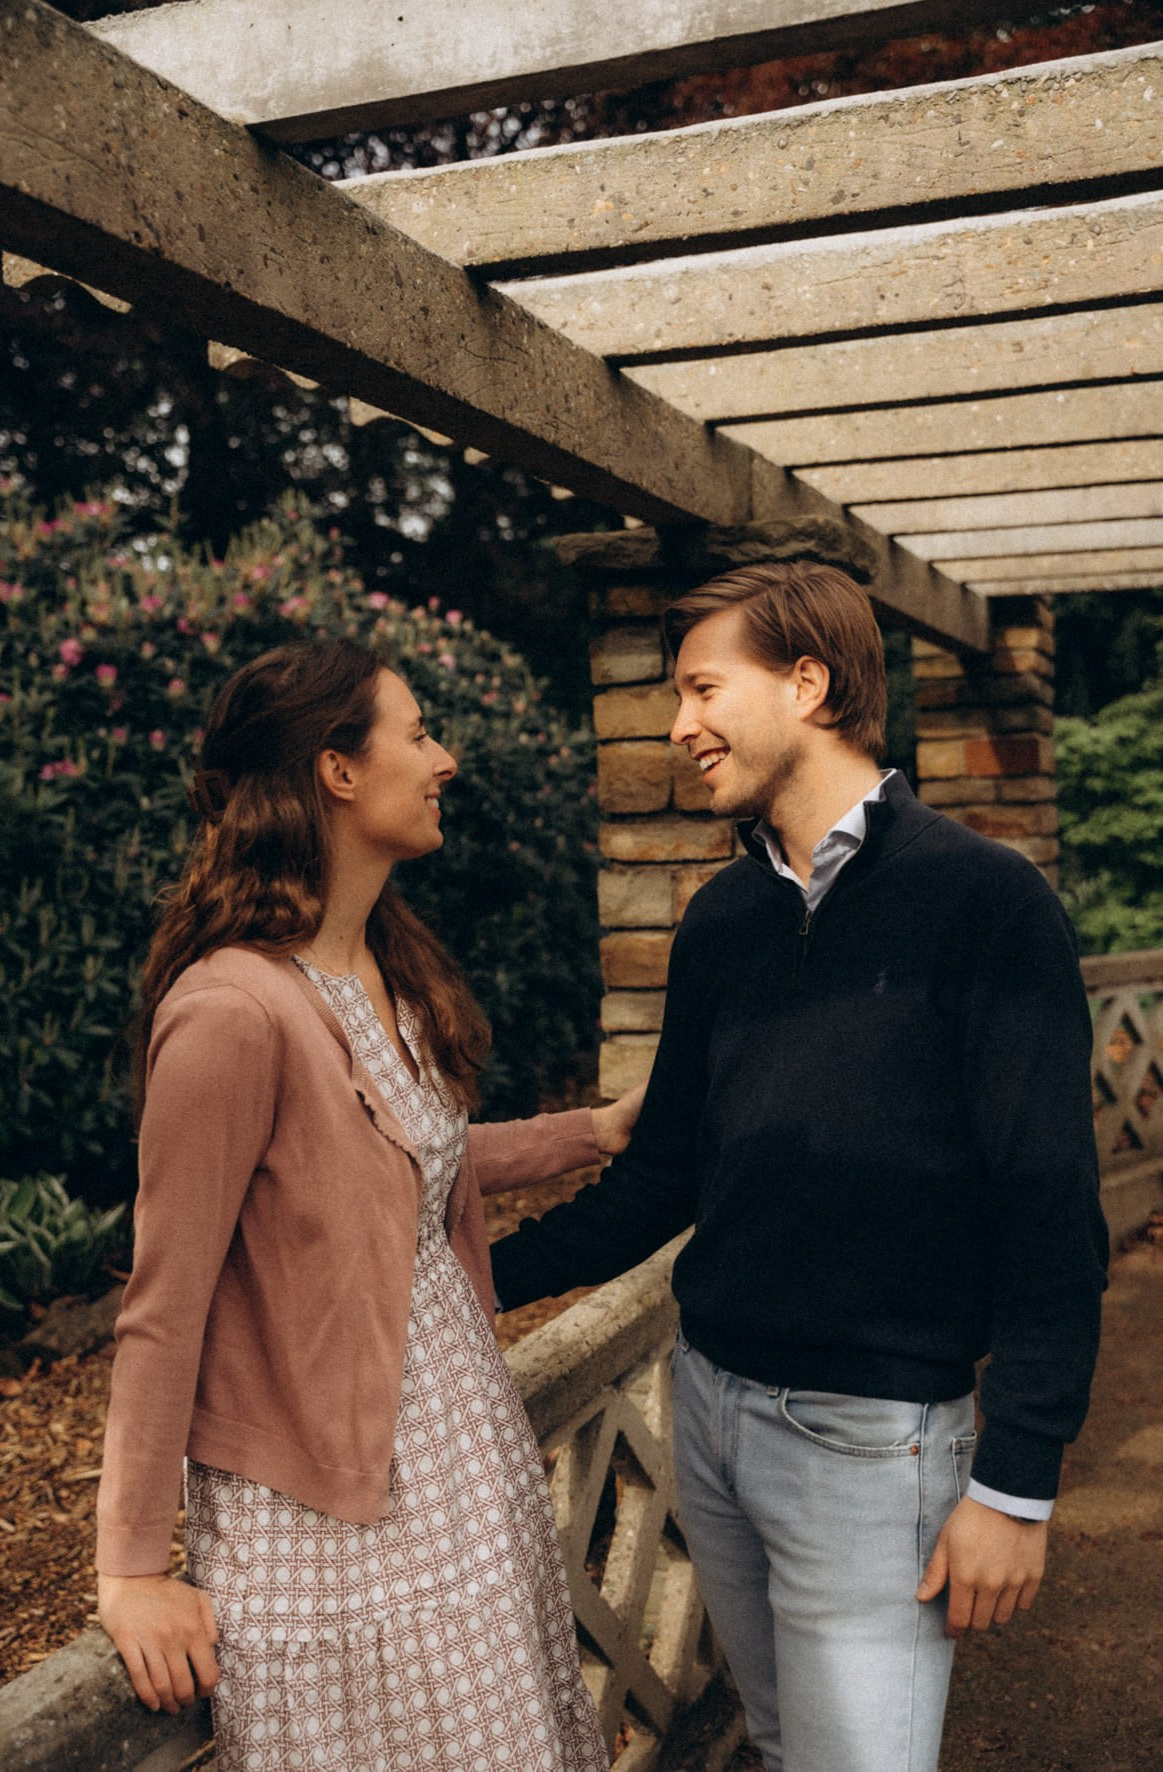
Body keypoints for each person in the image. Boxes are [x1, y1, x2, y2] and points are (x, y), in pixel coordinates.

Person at [491, 561, 1109, 1772]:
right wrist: (472, 1276)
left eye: (702, 687)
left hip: (871, 1441)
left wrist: (1015, 1482)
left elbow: (1049, 1210)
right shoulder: (721, 918)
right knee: (784, 1748)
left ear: (809, 683)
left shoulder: (985, 900)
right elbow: (664, 1174)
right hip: (710, 1411)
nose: (678, 725)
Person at [95, 636, 642, 1772]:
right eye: (418, 731)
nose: (444, 759)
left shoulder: (373, 968)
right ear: (337, 771)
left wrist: (589, 1131)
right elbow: (164, 1301)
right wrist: (133, 1565)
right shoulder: (229, 1012)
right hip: (334, 1519)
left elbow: (393, 1164)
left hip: (460, 1468)